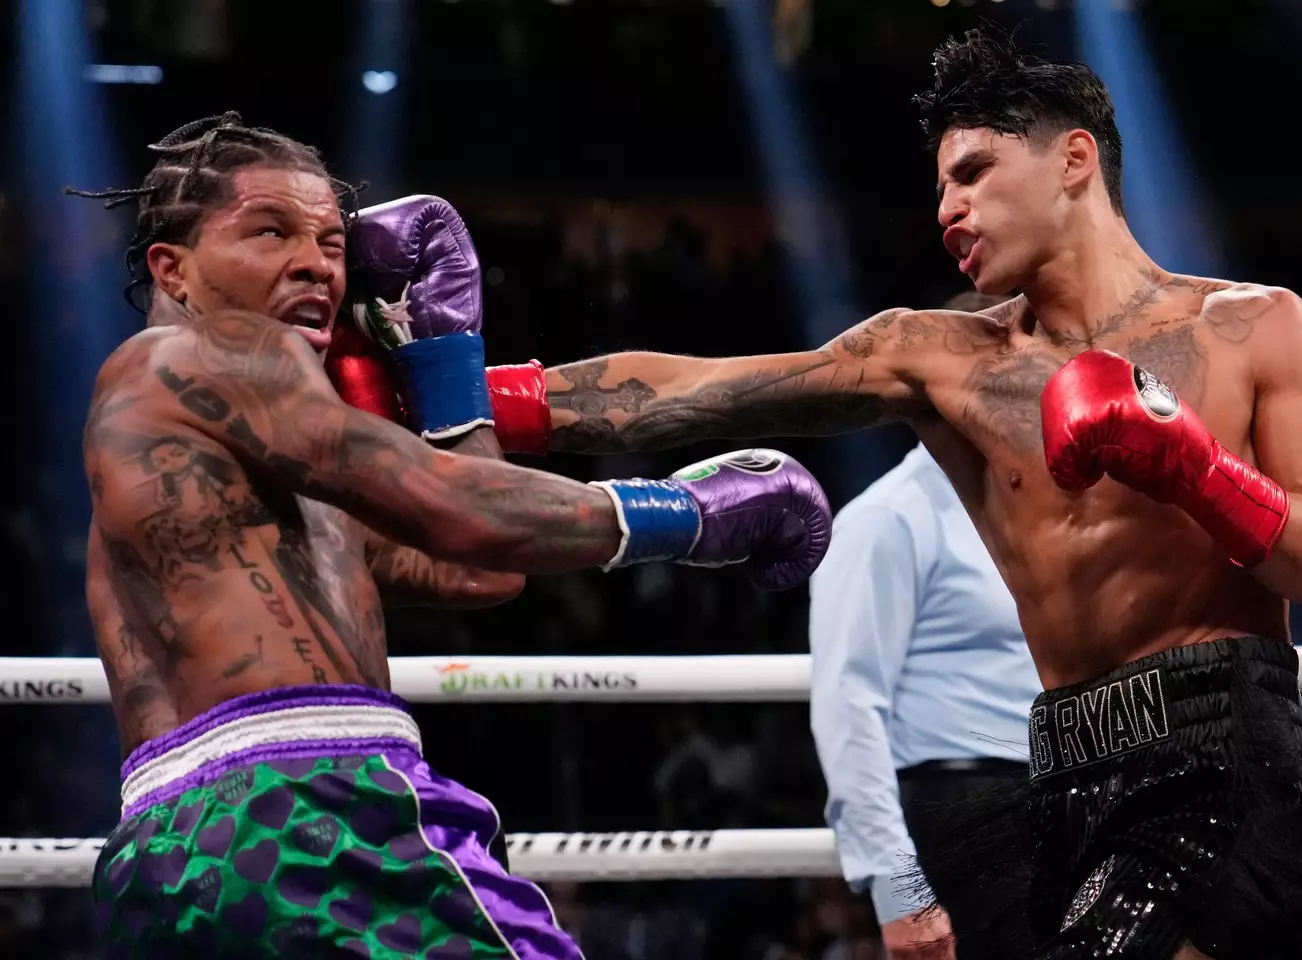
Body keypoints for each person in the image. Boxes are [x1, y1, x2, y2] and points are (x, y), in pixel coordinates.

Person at [465, 27, 1302, 959]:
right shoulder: (942, 361)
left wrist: (1195, 467)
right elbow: (690, 395)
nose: (946, 211)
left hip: (1226, 760)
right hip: (1057, 780)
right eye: (939, 188)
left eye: (972, 172)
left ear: (1073, 160)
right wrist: (456, 398)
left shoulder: (1255, 328)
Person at [75, 113, 833, 958]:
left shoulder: (218, 457)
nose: (314, 264)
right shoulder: (214, 351)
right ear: (171, 268)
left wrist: (444, 354)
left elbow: (476, 568)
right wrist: (691, 514)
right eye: (269, 230)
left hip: (158, 855)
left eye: (333, 242)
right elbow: (458, 505)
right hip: (309, 806)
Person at [809, 422, 1040, 960]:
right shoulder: (886, 518)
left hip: (1063, 807)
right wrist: (900, 892)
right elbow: (847, 707)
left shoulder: (1042, 519)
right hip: (959, 811)